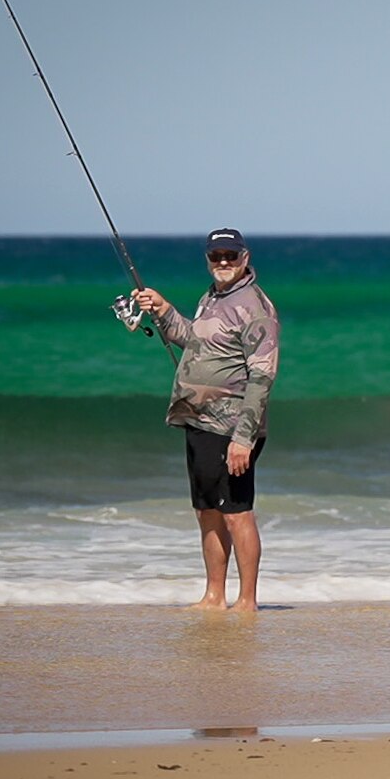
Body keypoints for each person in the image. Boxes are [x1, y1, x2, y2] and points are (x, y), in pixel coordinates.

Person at [133, 228, 280, 613]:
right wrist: (164, 311)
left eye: (231, 255)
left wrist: (243, 439)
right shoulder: (211, 299)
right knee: (207, 511)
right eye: (217, 256)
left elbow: (262, 376)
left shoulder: (254, 307)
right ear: (208, 259)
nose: (224, 263)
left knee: (236, 513)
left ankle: (246, 601)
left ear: (245, 258)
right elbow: (193, 341)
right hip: (199, 421)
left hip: (231, 427)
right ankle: (214, 596)